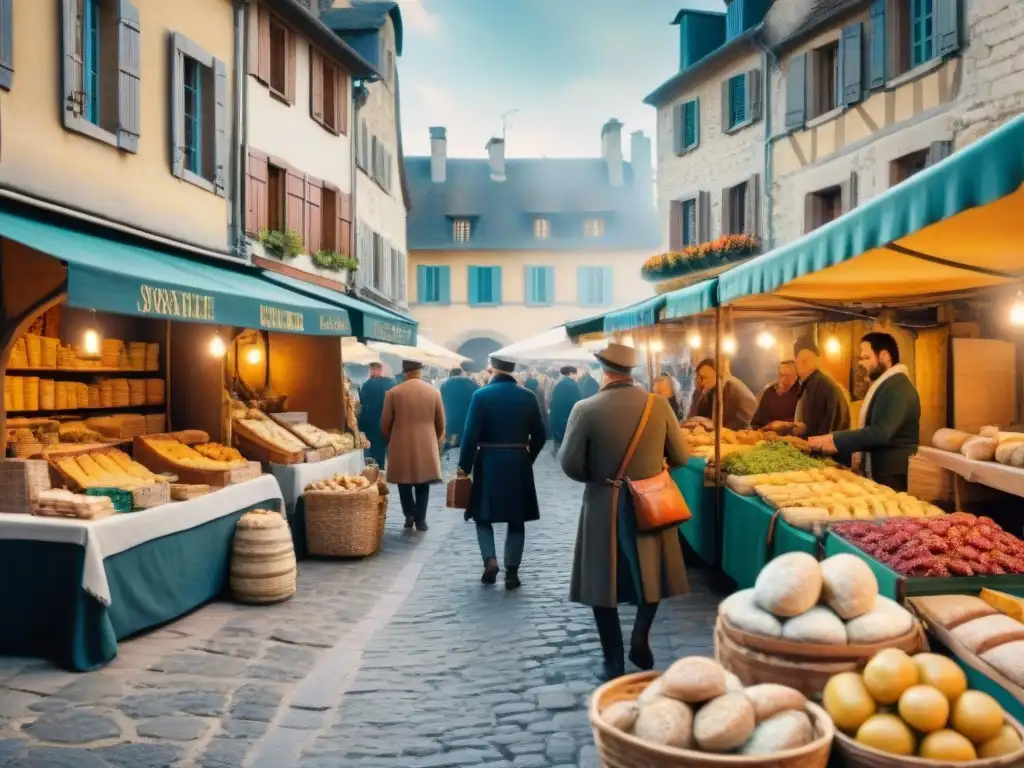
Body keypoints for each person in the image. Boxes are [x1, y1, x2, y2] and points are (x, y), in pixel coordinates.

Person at [559, 343, 690, 680]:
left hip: (604, 502)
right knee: (652, 573)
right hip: (650, 501)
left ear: (604, 370)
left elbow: (570, 464)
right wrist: (651, 470)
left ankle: (613, 659)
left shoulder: (585, 408)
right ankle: (640, 636)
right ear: (632, 372)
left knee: (602, 581)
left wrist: (601, 479)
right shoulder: (658, 405)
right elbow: (681, 457)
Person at [458, 355, 546, 590]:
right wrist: (529, 457)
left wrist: (464, 468)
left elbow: (470, 436)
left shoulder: (481, 395)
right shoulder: (528, 396)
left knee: (482, 514)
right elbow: (540, 434)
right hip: (518, 462)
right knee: (517, 518)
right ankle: (512, 572)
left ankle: (490, 559)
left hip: (488, 461)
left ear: (492, 369)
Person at [809, 332, 920, 491]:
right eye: (860, 358)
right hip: (881, 472)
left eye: (866, 358)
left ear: (884, 356)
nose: (861, 364)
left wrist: (835, 440)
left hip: (892, 476)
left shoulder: (898, 388)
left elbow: (880, 433)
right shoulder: (887, 385)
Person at [381, 360, 445, 531]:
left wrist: (392, 438)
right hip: (426, 442)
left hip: (400, 442)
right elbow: (440, 423)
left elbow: (385, 423)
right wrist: (435, 440)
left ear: (404, 371)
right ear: (421, 371)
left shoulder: (393, 393)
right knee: (424, 482)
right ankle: (421, 520)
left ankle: (409, 515)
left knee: (404, 482)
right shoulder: (434, 392)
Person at [793, 340, 850, 437]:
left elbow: (822, 426)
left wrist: (804, 431)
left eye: (796, 362)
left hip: (826, 446)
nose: (796, 368)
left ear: (805, 361)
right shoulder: (817, 382)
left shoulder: (818, 385)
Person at [686, 359, 757, 430]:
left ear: (716, 373)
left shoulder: (728, 386)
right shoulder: (711, 392)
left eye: (703, 377)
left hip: (744, 433)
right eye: (698, 379)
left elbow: (732, 424)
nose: (701, 383)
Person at [358, 362, 395, 469]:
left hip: (373, 425)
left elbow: (363, 404)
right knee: (391, 455)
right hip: (390, 425)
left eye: (373, 369)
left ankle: (379, 476)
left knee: (375, 457)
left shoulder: (368, 384)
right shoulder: (392, 383)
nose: (372, 371)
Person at [439, 366, 479, 455]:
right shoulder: (473, 384)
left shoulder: (444, 385)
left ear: (450, 374)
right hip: (468, 426)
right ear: (462, 373)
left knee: (449, 450)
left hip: (450, 426)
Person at [750, 360, 801, 429]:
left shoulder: (802, 393)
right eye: (781, 374)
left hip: (791, 436)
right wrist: (769, 427)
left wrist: (784, 424)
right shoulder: (770, 392)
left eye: (787, 375)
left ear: (796, 375)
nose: (783, 379)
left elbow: (804, 422)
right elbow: (757, 422)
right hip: (767, 434)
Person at [549, 365, 582, 454]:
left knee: (558, 435)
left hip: (556, 415)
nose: (577, 376)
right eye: (576, 373)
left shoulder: (558, 384)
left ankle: (556, 450)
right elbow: (577, 402)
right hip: (567, 416)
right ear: (571, 373)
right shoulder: (572, 384)